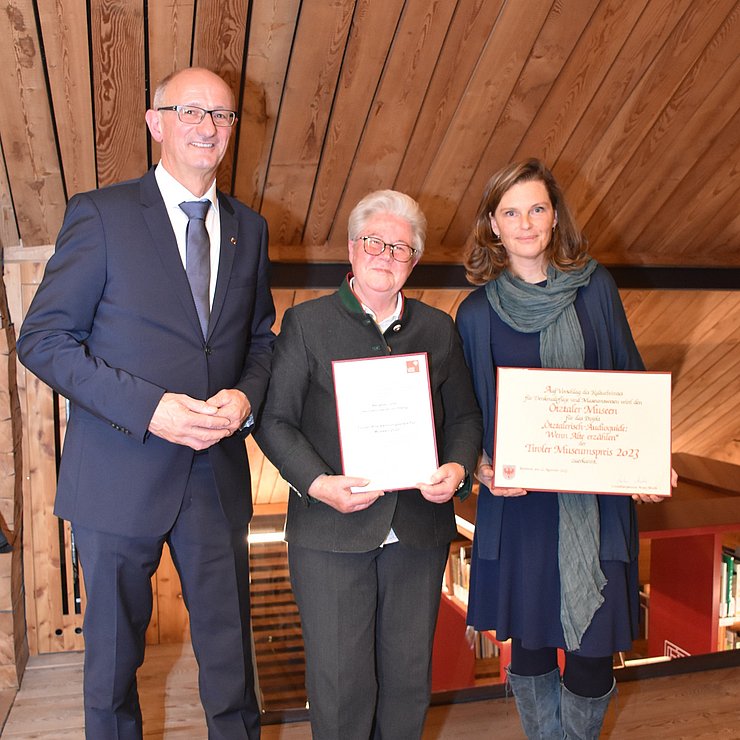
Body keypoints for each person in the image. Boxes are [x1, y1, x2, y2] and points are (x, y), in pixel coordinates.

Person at [17, 67, 275, 739]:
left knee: (231, 665)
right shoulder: (100, 215)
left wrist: (245, 398)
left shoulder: (251, 229)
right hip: (117, 476)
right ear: (155, 123)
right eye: (189, 112)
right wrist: (149, 408)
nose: (207, 126)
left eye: (221, 115)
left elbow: (260, 341)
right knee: (111, 669)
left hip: (215, 478)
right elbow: (43, 339)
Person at [456, 158, 676, 739]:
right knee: (529, 652)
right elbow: (466, 412)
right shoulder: (475, 313)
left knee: (591, 652)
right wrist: (481, 468)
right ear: (492, 226)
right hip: (520, 505)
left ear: (554, 218)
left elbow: (629, 378)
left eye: (536, 208)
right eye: (511, 212)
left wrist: (653, 460)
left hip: (594, 502)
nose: (525, 223)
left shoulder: (596, 287)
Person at [255, 190, 482, 739]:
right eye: (374, 242)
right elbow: (274, 421)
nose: (385, 255)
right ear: (352, 249)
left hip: (418, 530)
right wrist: (318, 483)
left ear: (414, 260)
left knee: (407, 680)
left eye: (400, 248)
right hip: (329, 530)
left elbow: (465, 419)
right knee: (339, 683)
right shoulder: (306, 324)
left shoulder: (437, 328)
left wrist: (456, 469)